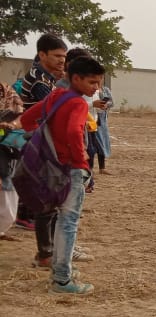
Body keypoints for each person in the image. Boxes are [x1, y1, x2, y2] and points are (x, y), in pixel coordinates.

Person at [20, 56, 106, 294]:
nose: (96, 88)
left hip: (51, 168)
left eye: (99, 83)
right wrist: (82, 162)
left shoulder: (55, 96)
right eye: (92, 82)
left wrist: (47, 144)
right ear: (76, 78)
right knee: (68, 223)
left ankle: (59, 271)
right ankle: (62, 280)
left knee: (60, 220)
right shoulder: (78, 103)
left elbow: (27, 120)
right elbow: (73, 132)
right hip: (70, 169)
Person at [17, 34, 67, 264]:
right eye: (57, 56)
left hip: (41, 140)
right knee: (47, 199)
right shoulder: (39, 80)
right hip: (39, 142)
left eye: (63, 56)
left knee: (50, 198)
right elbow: (51, 111)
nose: (61, 60)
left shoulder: (46, 77)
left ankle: (52, 248)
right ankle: (46, 252)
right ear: (42, 54)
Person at [0, 82, 24, 242]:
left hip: (7, 149)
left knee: (8, 192)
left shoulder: (6, 90)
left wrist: (12, 125)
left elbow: (21, 115)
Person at [87, 84, 113, 176]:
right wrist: (93, 104)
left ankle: (100, 168)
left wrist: (102, 107)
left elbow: (99, 109)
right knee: (90, 148)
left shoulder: (100, 91)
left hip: (96, 122)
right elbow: (79, 105)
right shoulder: (83, 91)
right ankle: (89, 170)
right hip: (86, 123)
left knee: (98, 145)